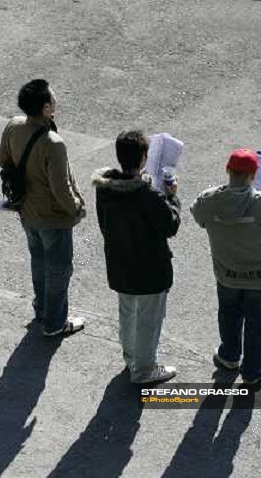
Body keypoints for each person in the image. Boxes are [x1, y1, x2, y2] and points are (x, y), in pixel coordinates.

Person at [190, 148, 261, 385]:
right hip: (260, 277)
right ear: (254, 175)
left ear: (228, 170)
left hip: (226, 274)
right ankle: (252, 370)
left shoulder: (210, 199)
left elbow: (198, 215)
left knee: (228, 314)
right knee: (258, 321)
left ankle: (229, 356)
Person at [0, 79, 86, 336]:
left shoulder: (13, 126)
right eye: (53, 97)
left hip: (26, 212)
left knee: (38, 261)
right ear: (47, 109)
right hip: (53, 218)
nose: (57, 98)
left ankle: (42, 309)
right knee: (58, 270)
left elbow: (3, 159)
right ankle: (55, 323)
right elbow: (61, 189)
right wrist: (77, 208)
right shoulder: (53, 143)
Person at [92, 130, 181, 384]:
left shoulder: (105, 189)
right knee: (148, 321)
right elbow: (170, 226)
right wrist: (171, 195)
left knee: (128, 314)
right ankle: (144, 370)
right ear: (144, 158)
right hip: (150, 269)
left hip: (120, 263)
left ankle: (130, 358)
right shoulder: (148, 195)